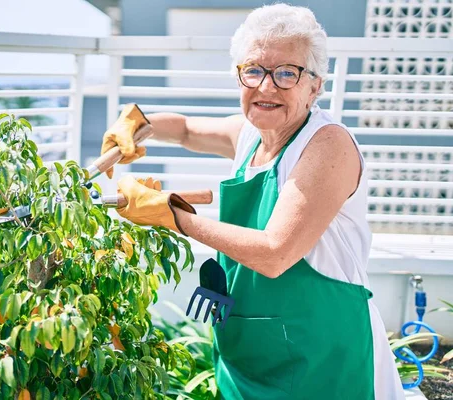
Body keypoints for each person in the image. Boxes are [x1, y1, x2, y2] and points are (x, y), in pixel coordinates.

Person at [100, 4, 405, 399]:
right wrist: (138, 123)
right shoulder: (249, 135)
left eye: (286, 73)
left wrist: (172, 215)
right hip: (250, 353)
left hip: (322, 359)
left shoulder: (327, 146)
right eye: (254, 70)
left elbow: (276, 253)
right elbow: (189, 130)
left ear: (315, 85)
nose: (266, 86)